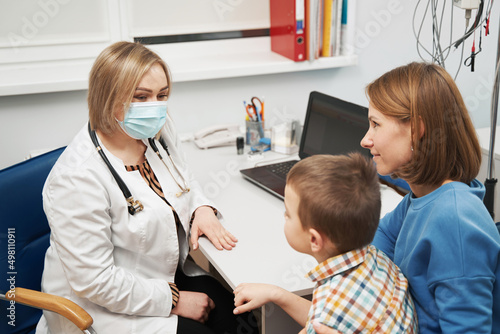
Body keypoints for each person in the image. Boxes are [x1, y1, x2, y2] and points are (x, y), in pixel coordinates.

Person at [36, 41, 257, 334]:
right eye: (141, 97)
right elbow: (95, 282)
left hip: (157, 272)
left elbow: (183, 177)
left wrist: (200, 207)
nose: (155, 107)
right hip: (99, 307)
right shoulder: (76, 178)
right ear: (107, 97)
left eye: (162, 95)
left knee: (241, 312)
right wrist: (174, 300)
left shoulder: (156, 131)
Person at [360, 61, 500, 333]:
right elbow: (380, 239)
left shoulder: (455, 219)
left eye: (376, 125)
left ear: (416, 130)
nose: (366, 139)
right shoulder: (425, 194)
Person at [233, 153, 418, 333]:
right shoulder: (376, 258)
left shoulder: (328, 311)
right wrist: (277, 294)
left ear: (314, 240)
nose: (284, 216)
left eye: (288, 214)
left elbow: (325, 318)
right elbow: (331, 317)